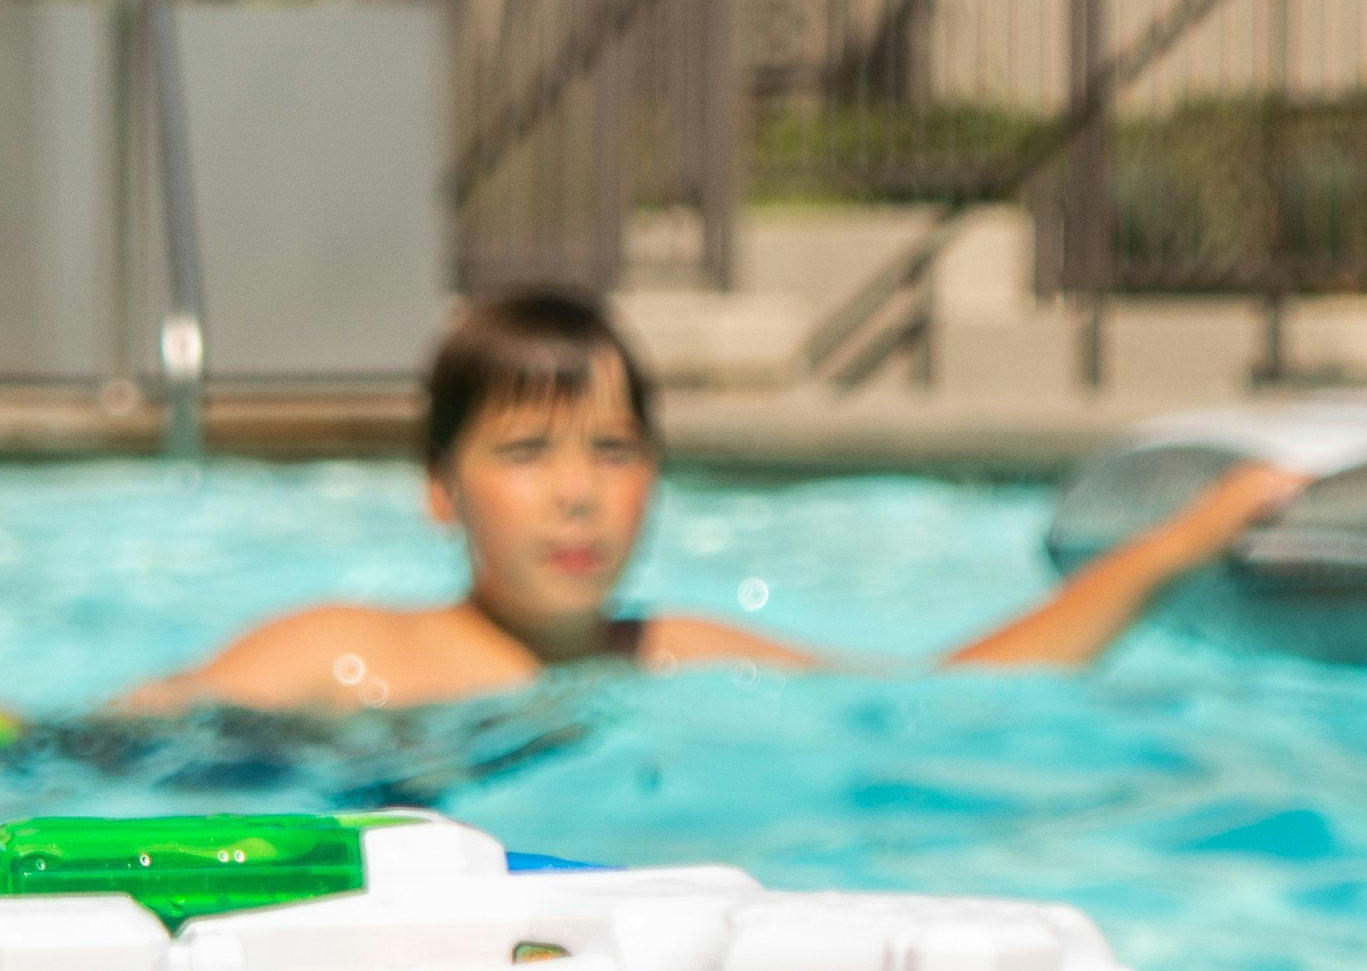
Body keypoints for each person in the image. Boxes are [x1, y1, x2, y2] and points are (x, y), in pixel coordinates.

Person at [131, 286, 1300, 710]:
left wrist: (1178, 543)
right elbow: (104, 743)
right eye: (528, 452)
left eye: (616, 449)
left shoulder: (676, 658)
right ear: (438, 491)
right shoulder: (345, 657)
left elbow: (953, 689)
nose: (581, 496)